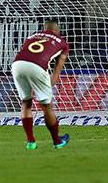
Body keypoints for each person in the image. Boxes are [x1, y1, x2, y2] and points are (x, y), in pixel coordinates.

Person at [11, 19, 69, 150]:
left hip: (17, 65)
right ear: (57, 30)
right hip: (37, 67)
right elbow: (57, 69)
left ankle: (31, 142)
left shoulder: (31, 36)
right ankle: (57, 141)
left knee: (26, 103)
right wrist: (51, 83)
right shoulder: (62, 42)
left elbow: (28, 53)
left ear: (44, 28)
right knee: (46, 106)